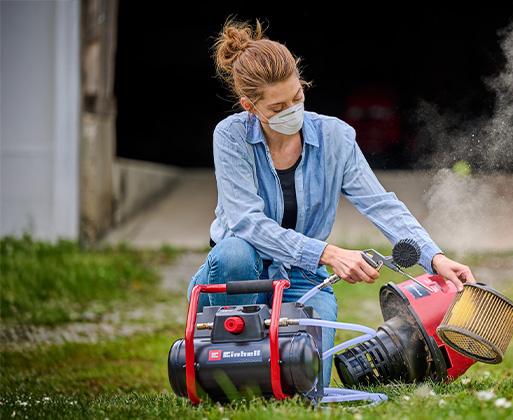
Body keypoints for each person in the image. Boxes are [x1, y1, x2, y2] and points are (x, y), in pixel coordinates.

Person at [188, 19, 476, 385]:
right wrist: (328, 253)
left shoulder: (336, 137)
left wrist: (434, 257)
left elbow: (381, 205)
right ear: (249, 106)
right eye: (277, 107)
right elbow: (248, 223)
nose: (292, 110)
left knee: (309, 386)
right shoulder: (230, 137)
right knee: (234, 253)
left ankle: (268, 365)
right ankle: (224, 359)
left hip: (303, 280)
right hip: (242, 275)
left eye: (297, 98)